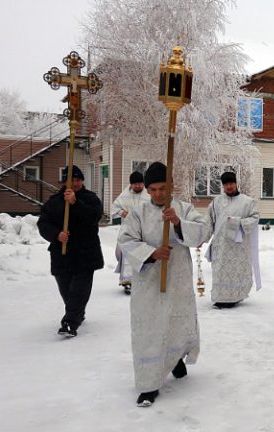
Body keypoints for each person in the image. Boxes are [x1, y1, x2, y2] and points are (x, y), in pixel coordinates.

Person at [118, 162, 209, 407]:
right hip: (149, 284)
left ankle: (175, 358)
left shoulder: (184, 208)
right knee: (150, 330)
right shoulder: (138, 213)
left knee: (176, 323)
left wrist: (178, 223)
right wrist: (152, 253)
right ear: (148, 190)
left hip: (177, 280)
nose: (159, 194)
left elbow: (203, 232)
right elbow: (126, 240)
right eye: (154, 189)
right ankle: (148, 384)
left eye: (163, 188)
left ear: (171, 187)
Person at [37, 166, 104, 338]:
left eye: (77, 180)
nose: (74, 183)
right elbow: (43, 224)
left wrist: (75, 203)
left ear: (82, 181)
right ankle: (76, 312)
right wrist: (56, 235)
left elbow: (94, 217)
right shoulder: (54, 202)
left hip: (85, 252)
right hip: (62, 254)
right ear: (64, 182)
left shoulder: (90, 199)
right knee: (67, 291)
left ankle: (70, 322)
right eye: (71, 180)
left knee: (79, 290)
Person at [203, 171, 261, 308]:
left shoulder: (247, 202)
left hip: (238, 246)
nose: (229, 187)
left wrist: (239, 222)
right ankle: (220, 297)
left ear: (236, 183)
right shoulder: (216, 202)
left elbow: (255, 218)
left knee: (237, 272)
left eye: (231, 183)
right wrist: (202, 237)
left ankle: (235, 297)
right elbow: (209, 222)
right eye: (226, 184)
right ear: (222, 186)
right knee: (220, 272)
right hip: (221, 245)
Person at [111, 171, 150, 294]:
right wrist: (122, 212)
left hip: (144, 229)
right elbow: (115, 207)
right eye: (135, 184)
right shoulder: (125, 195)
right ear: (131, 184)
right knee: (124, 253)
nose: (137, 186)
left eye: (140, 183)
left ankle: (143, 281)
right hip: (128, 229)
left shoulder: (148, 194)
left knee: (142, 254)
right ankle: (127, 281)